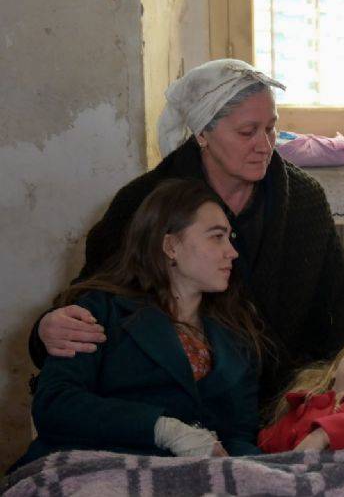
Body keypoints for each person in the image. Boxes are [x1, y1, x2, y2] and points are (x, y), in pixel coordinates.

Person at [29, 59, 344, 404]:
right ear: (202, 134)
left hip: (284, 391)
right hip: (175, 396)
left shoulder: (302, 200)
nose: (265, 145)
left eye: (271, 128)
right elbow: (94, 295)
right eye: (247, 132)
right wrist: (48, 329)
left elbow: (342, 294)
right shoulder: (143, 203)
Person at [12, 180, 265, 472]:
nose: (232, 252)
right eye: (217, 237)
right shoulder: (101, 312)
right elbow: (55, 405)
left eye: (229, 238)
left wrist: (259, 471)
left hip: (195, 480)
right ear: (171, 246)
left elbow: (240, 435)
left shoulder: (236, 332)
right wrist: (161, 429)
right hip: (99, 471)